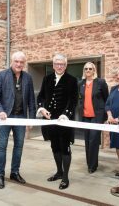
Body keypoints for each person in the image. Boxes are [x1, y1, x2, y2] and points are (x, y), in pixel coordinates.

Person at [0, 51, 36, 189]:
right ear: (12, 61)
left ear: (24, 63)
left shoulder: (28, 78)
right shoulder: (2, 75)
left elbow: (31, 100)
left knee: (19, 147)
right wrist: (0, 111)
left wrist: (31, 120)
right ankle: (0, 175)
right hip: (5, 118)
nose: (19, 64)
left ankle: (14, 172)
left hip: (21, 117)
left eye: (22, 62)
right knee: (2, 147)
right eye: (17, 61)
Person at [37, 53, 78, 190]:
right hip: (50, 120)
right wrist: (42, 109)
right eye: (57, 64)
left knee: (65, 148)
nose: (59, 66)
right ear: (53, 65)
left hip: (64, 120)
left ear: (66, 66)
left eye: (62, 64)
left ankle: (65, 177)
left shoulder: (72, 80)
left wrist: (65, 115)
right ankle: (59, 172)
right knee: (55, 146)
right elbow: (41, 96)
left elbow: (73, 100)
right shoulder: (46, 78)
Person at [79, 62, 108, 174]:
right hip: (85, 116)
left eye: (90, 68)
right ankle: (89, 164)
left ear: (94, 70)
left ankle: (93, 165)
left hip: (97, 116)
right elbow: (80, 98)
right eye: (86, 68)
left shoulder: (101, 82)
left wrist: (105, 116)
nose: (88, 70)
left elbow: (107, 99)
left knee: (94, 140)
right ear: (84, 71)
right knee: (87, 141)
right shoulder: (81, 83)